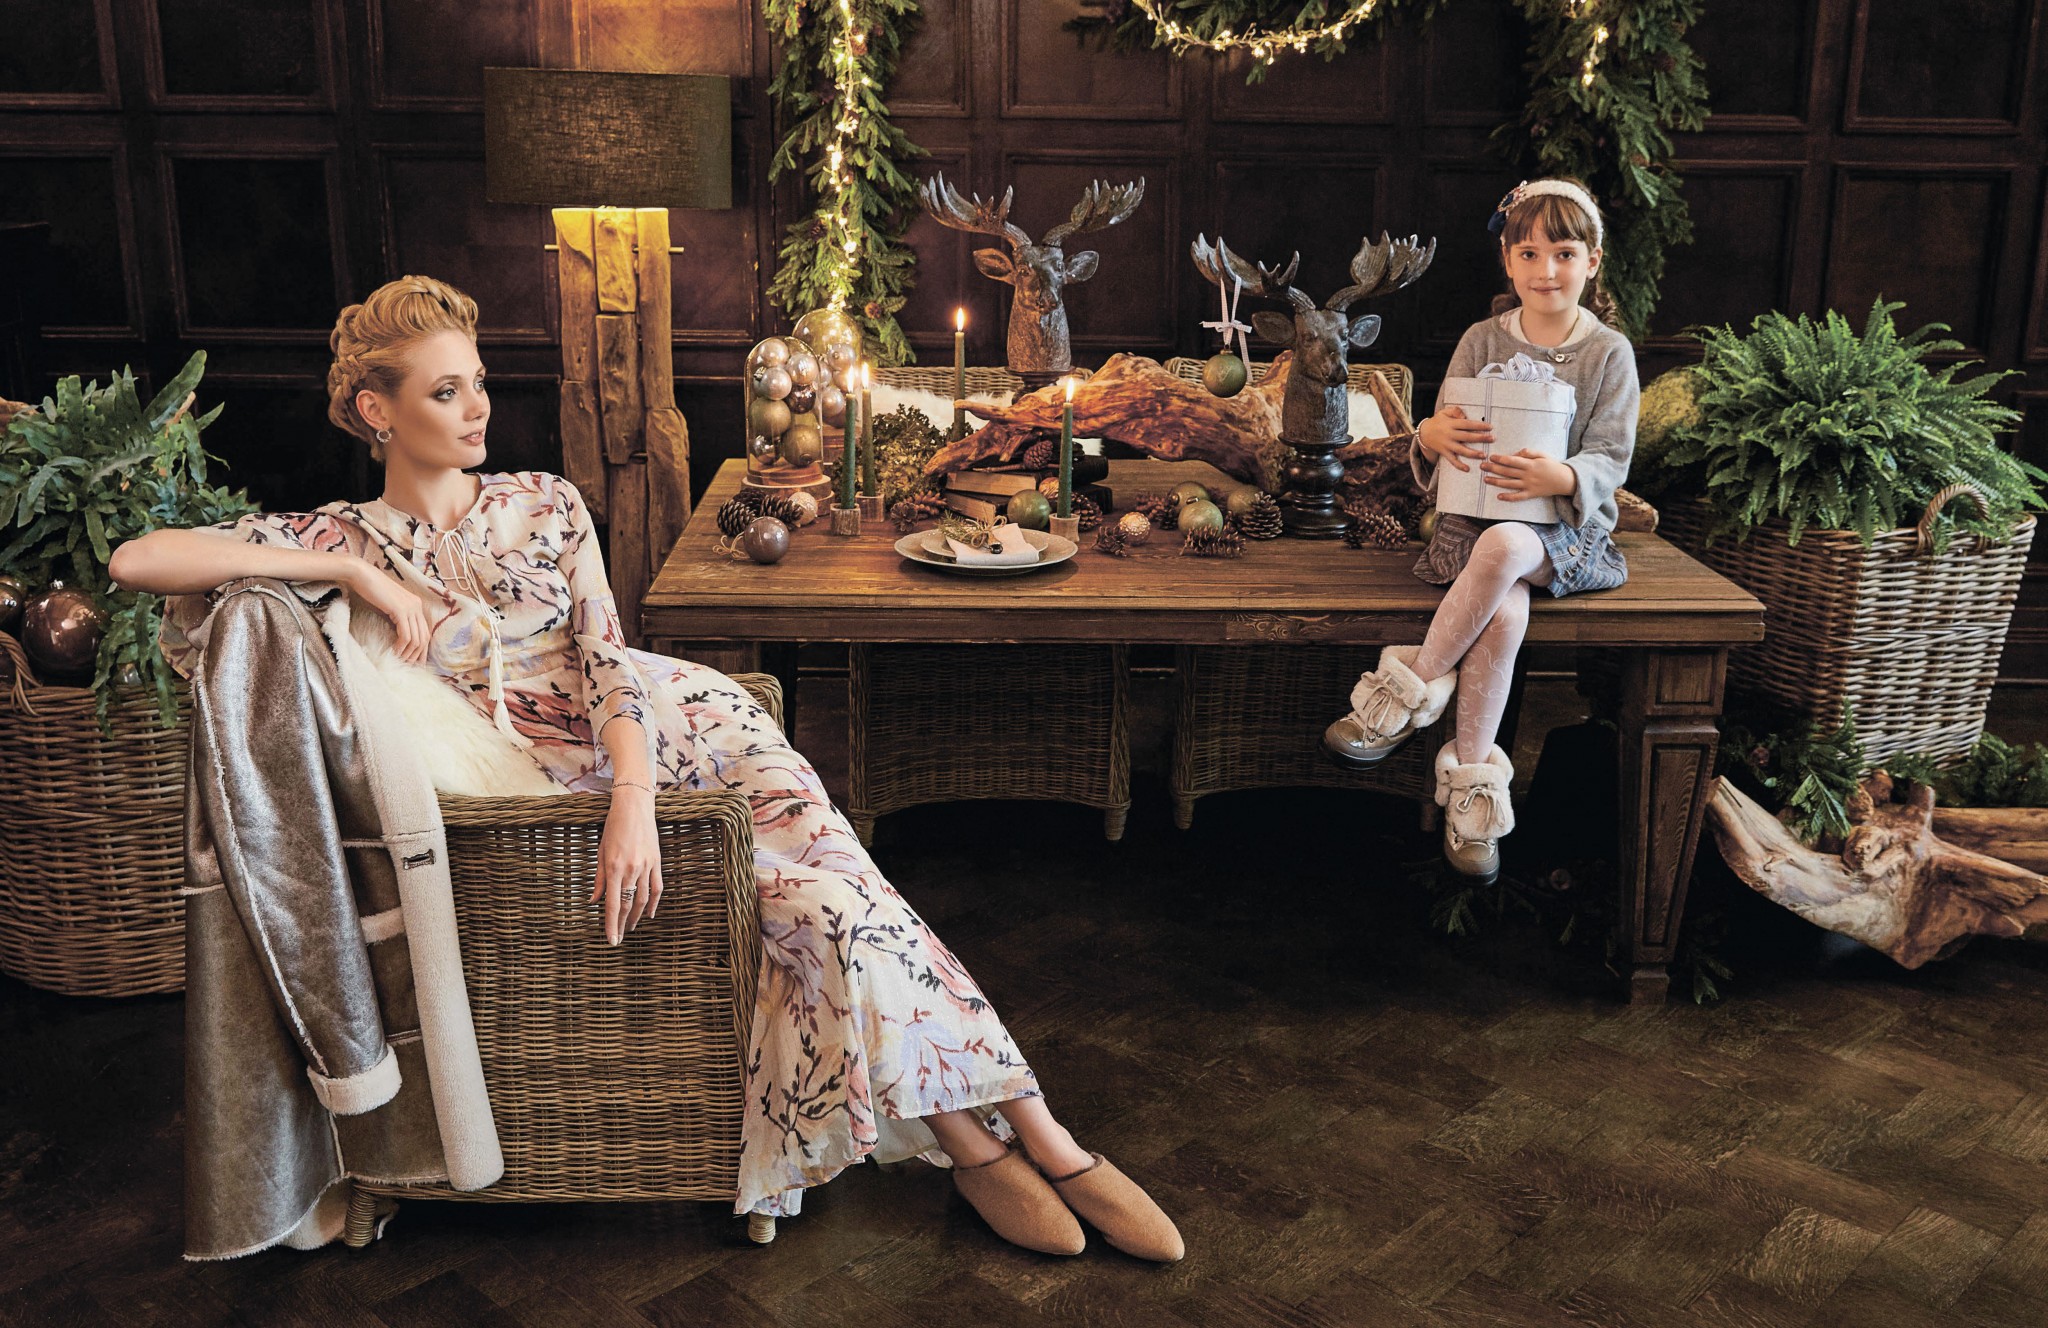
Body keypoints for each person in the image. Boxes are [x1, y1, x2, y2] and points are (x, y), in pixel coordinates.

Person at [109, 275, 1182, 1262]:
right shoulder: (344, 534)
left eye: (477, 382)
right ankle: (981, 1139)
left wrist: (634, 800)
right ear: (376, 410)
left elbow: (604, 655)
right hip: (548, 781)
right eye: (445, 391)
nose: (478, 408)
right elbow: (139, 559)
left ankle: (1036, 1133)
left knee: (853, 886)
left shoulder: (544, 499)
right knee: (819, 911)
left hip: (679, 731)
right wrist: (349, 572)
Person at [1320, 179, 1638, 884]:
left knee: (1508, 546)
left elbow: (1612, 455)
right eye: (1529, 253)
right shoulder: (1481, 339)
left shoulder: (1609, 353)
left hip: (1564, 536)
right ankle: (1471, 792)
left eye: (1564, 253)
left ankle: (1406, 692)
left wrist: (1562, 476)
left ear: (1592, 261)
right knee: (1506, 606)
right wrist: (1430, 435)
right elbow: (1443, 431)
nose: (1546, 270)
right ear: (1507, 260)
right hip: (1473, 528)